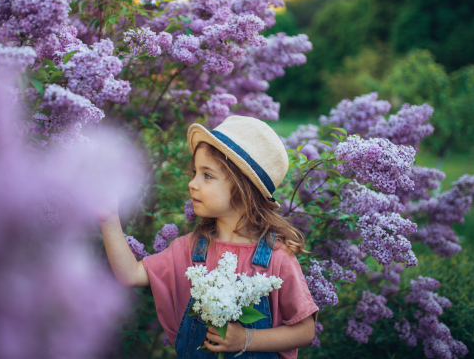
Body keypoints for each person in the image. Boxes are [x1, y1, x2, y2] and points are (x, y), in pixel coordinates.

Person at [100, 115, 319, 358]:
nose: (192, 183)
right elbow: (130, 274)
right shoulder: (189, 249)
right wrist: (108, 218)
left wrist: (246, 338)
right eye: (194, 172)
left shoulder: (277, 257)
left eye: (207, 175)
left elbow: (305, 330)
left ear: (242, 187)